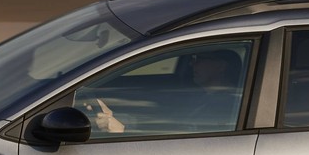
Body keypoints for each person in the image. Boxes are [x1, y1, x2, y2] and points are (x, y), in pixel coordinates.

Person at [83, 48, 244, 136]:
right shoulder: (201, 98)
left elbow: (178, 142)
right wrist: (117, 118)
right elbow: (168, 124)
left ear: (221, 66)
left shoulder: (226, 106)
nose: (192, 64)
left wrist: (122, 131)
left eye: (199, 59)